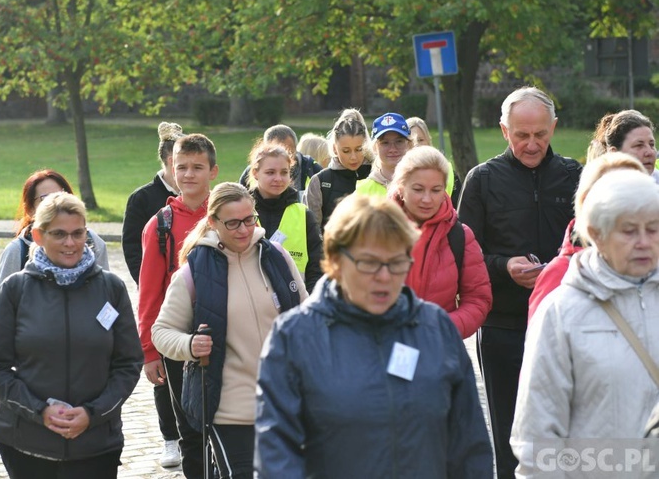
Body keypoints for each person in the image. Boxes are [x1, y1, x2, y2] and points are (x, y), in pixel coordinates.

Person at [255, 194, 493, 478]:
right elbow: (277, 457)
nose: (385, 276)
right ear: (336, 261)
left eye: (396, 263)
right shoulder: (294, 338)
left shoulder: (435, 329)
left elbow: (470, 447)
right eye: (369, 263)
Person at [457, 86, 581, 479]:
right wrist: (502, 265)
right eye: (521, 135)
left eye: (540, 135)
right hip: (504, 326)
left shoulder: (575, 176)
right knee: (511, 435)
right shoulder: (482, 179)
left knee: (568, 434)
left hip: (565, 324)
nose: (531, 144)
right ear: (503, 130)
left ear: (554, 128)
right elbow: (464, 254)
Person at [0, 192, 143, 479]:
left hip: (96, 445)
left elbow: (128, 365)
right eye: (59, 234)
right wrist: (40, 411)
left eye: (78, 233)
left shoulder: (111, 288)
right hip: (26, 443)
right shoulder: (15, 290)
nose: (70, 243)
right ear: (39, 236)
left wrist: (92, 414)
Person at [152, 182, 308, 479]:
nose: (244, 229)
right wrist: (190, 345)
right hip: (230, 411)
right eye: (233, 223)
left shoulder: (277, 257)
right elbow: (161, 331)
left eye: (250, 220)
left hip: (286, 403)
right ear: (213, 222)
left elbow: (306, 313)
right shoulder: (194, 272)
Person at [511, 170, 659, 478]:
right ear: (596, 234)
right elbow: (536, 436)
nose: (644, 242)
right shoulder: (562, 311)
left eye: (654, 229)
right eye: (629, 231)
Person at [138, 133, 218, 478]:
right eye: (181, 167)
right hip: (177, 342)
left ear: (213, 171)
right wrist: (149, 350)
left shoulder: (232, 214)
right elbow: (149, 292)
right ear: (171, 168)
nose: (188, 174)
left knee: (230, 424)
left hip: (227, 335)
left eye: (197, 167)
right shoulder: (160, 225)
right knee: (190, 428)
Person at [120, 121, 183, 470]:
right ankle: (170, 437)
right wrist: (146, 282)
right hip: (159, 295)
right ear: (166, 162)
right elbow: (132, 245)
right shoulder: (143, 198)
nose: (183, 171)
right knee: (164, 371)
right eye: (177, 164)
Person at [389, 146, 492, 338]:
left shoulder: (460, 235)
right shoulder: (375, 230)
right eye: (418, 189)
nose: (427, 199)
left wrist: (443, 328)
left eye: (436, 190)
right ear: (401, 188)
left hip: (439, 353)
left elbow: (478, 299)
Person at [528, 152, 645, 319]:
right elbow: (542, 342)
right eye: (618, 196)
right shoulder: (562, 272)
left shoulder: (650, 268)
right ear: (589, 203)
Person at [0, 169, 109, 292]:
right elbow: (3, 305)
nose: (56, 204)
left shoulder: (94, 242)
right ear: (30, 209)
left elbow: (106, 297)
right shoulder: (17, 251)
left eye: (61, 196)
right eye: (46, 198)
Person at [248, 142, 323, 292]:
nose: (278, 178)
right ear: (256, 173)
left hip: (295, 304)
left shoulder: (303, 214)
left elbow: (317, 266)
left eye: (284, 172)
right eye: (270, 172)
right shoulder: (243, 212)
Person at [121, 121, 182, 285]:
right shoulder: (141, 198)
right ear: (172, 161)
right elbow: (132, 248)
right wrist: (149, 285)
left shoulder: (196, 195)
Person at [305, 108, 372, 230]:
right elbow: (313, 233)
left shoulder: (377, 174)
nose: (353, 157)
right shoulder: (319, 182)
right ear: (335, 148)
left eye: (359, 149)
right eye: (346, 151)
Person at [238, 124, 322, 200]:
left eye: (288, 152)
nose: (278, 179)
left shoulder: (312, 169)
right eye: (270, 172)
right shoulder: (251, 172)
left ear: (296, 148)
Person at [407, 116, 462, 207]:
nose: (416, 145)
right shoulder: (396, 171)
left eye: (420, 140)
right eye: (411, 141)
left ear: (428, 141)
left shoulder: (448, 172)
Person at [355, 112, 413, 197]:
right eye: (385, 143)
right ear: (374, 147)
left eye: (399, 141)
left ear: (409, 144)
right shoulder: (363, 190)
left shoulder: (421, 183)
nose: (393, 149)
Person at [602, 109, 657, 183]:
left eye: (652, 145)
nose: (649, 152)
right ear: (614, 153)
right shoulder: (601, 190)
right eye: (639, 145)